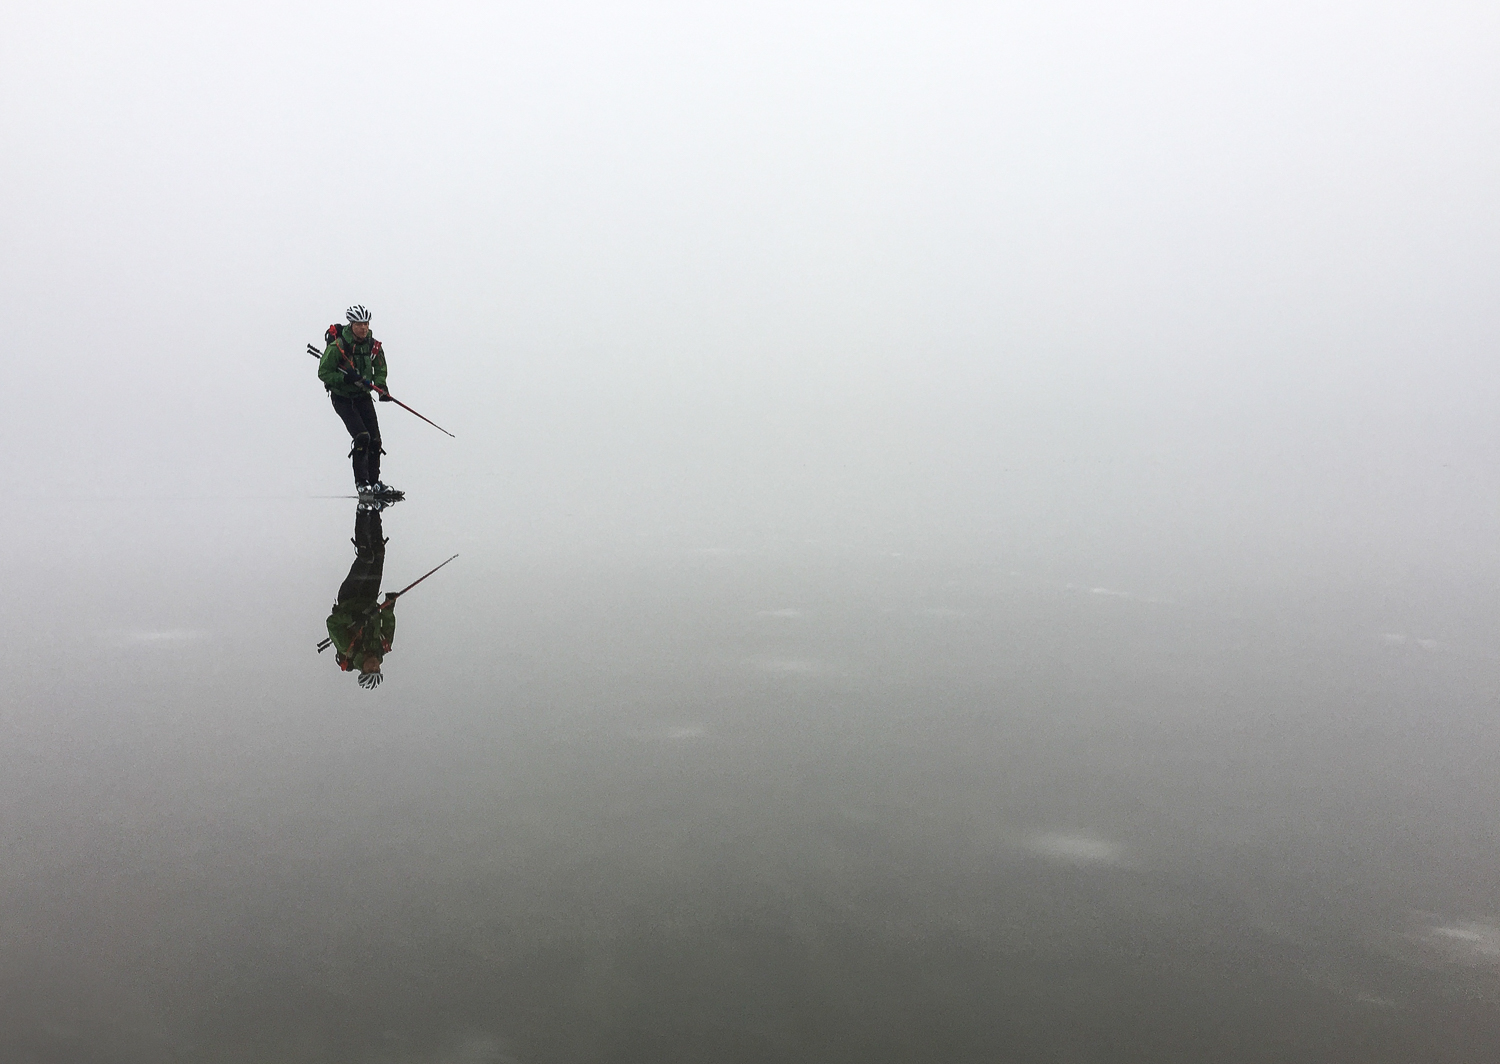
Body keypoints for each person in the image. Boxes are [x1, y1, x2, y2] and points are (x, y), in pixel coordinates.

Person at [319, 304, 403, 501]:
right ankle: (362, 484)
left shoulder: (373, 346)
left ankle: (375, 483)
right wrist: (345, 379)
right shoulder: (337, 347)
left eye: (366, 323)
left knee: (375, 440)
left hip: (363, 395)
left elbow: (380, 368)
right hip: (342, 398)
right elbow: (323, 373)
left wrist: (382, 388)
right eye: (359, 324)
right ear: (351, 324)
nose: (363, 328)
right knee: (362, 437)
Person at [326, 501, 397, 689]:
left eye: (370, 670)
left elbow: (331, 623)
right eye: (377, 669)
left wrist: (352, 617)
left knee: (366, 558)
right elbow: (388, 623)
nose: (374, 666)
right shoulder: (383, 647)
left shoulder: (348, 649)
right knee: (379, 552)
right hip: (370, 597)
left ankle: (363, 511)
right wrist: (389, 607)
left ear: (362, 669)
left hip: (349, 597)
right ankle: (375, 512)